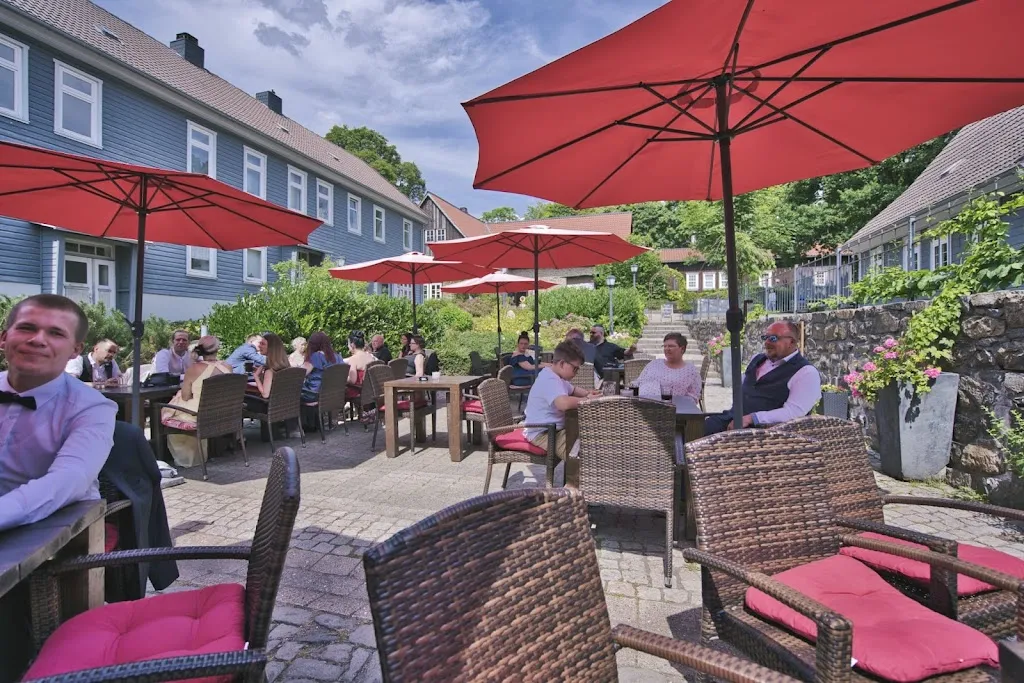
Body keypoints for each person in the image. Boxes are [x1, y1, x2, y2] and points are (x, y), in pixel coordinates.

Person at [0, 294, 118, 531]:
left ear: (76, 350)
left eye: (56, 333)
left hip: (57, 530)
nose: (37, 340)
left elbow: (69, 479)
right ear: (3, 339)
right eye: (26, 328)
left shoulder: (93, 407)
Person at [704, 320, 822, 435]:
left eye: (773, 338)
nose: (767, 343)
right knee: (692, 430)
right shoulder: (757, 359)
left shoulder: (806, 372)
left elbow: (794, 412)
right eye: (765, 338)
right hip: (733, 419)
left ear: (791, 342)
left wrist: (752, 418)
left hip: (765, 435)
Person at [160, 336, 232, 468]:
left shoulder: (194, 369)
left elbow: (186, 396)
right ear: (218, 349)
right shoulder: (227, 367)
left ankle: (167, 455)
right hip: (223, 413)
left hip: (200, 416)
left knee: (166, 411)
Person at [522, 341, 600, 460]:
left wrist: (588, 393)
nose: (576, 373)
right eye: (575, 369)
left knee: (587, 437)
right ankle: (577, 476)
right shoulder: (549, 379)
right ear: (562, 363)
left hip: (554, 430)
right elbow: (563, 403)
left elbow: (573, 390)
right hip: (543, 433)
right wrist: (587, 399)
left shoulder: (558, 378)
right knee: (580, 453)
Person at [635, 333, 702, 402]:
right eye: (664, 346)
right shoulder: (654, 364)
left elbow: (694, 397)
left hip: (675, 409)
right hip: (643, 406)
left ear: (682, 349)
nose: (667, 349)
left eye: (671, 346)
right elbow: (637, 383)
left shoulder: (691, 371)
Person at [247, 333, 290, 409]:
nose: (259, 346)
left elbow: (265, 394)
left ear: (271, 348)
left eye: (263, 344)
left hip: (269, 408)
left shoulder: (270, 371)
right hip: (283, 406)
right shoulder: (285, 367)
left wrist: (256, 376)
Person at [301, 331, 338, 402]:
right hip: (333, 395)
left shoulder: (316, 356)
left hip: (315, 395)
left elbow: (300, 374)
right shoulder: (337, 357)